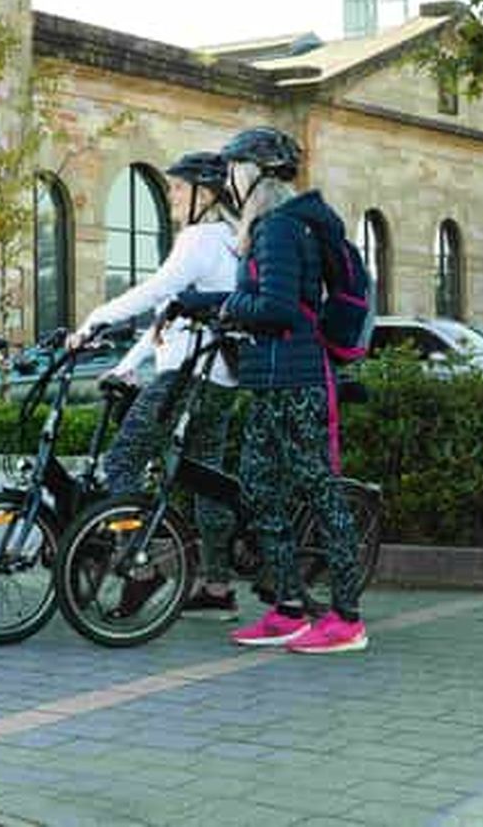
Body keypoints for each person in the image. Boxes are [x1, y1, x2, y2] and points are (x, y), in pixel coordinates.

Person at [197, 125, 368, 653]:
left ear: (250, 172)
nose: (228, 178)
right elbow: (269, 297)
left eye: (232, 168)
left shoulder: (279, 228)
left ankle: (347, 618)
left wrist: (227, 307)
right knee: (257, 487)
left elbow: (278, 306)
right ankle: (289, 607)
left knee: (319, 488)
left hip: (297, 378)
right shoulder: (279, 226)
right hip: (272, 378)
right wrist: (204, 302)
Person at [71, 151, 240, 617]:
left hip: (184, 377)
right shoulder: (231, 239)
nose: (171, 198)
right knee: (207, 479)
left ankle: (143, 571)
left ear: (203, 194)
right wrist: (128, 364)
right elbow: (170, 314)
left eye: (179, 190)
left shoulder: (198, 238)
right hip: (220, 378)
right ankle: (218, 587)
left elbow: (154, 293)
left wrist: (94, 320)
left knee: (122, 460)